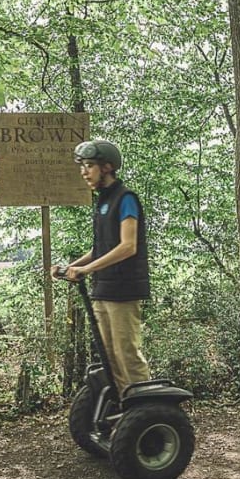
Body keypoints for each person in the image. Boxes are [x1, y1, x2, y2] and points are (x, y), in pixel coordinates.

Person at [52, 138, 150, 397]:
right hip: (103, 289)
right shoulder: (104, 202)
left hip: (123, 290)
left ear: (106, 167)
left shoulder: (126, 199)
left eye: (89, 165)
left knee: (126, 353)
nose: (84, 172)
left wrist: (87, 270)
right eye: (82, 166)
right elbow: (102, 248)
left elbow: (128, 246)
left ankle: (146, 408)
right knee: (109, 357)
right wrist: (71, 267)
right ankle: (124, 408)